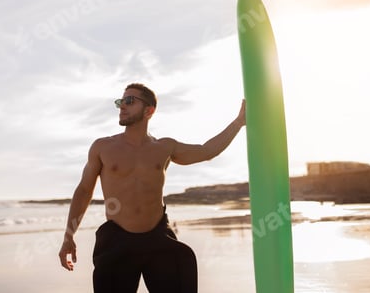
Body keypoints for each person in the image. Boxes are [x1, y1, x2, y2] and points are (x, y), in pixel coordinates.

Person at [59, 83, 246, 293]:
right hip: (117, 241)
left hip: (158, 239)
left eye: (129, 101)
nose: (122, 106)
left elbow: (207, 150)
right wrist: (69, 236)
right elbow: (84, 191)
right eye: (121, 101)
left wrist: (238, 122)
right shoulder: (103, 147)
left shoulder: (164, 147)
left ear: (149, 110)